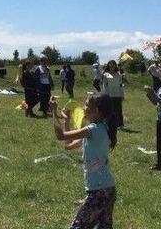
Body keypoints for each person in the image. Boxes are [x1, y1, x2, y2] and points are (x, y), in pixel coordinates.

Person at [49, 94, 117, 229]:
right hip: (107, 189)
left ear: (96, 110)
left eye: (86, 105)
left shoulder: (93, 129)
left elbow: (60, 136)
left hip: (99, 191)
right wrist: (66, 120)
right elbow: (68, 145)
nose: (84, 108)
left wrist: (54, 112)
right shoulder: (100, 128)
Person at [101, 61, 125, 129]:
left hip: (117, 94)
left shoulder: (118, 74)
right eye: (110, 65)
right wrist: (105, 95)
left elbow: (120, 85)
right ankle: (108, 124)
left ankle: (120, 124)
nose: (112, 66)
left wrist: (122, 94)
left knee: (118, 110)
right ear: (108, 66)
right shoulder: (106, 74)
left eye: (113, 65)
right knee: (109, 110)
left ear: (115, 66)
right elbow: (105, 86)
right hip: (109, 95)